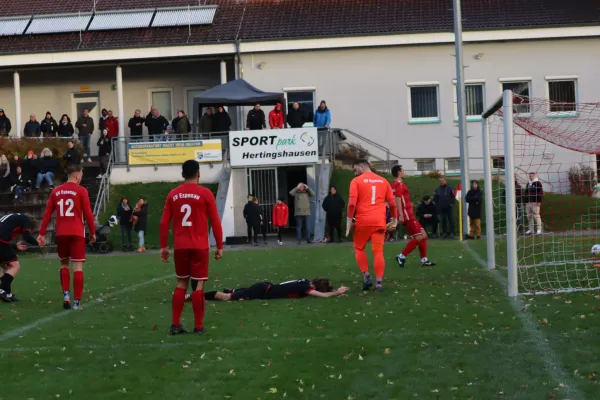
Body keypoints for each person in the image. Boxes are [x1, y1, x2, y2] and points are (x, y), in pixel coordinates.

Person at [159, 160, 224, 335]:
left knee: (181, 283)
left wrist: (164, 246)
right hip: (200, 246)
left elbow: (164, 222)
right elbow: (215, 221)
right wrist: (219, 245)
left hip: (180, 246)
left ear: (182, 175)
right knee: (198, 286)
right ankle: (198, 326)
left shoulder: (173, 194)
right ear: (198, 174)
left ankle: (175, 324)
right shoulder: (205, 193)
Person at [38, 164, 96, 310]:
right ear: (77, 175)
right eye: (81, 174)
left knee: (64, 265)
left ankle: (66, 296)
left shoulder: (56, 191)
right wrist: (93, 232)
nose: (82, 177)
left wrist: (42, 233)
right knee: (77, 268)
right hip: (77, 232)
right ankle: (76, 303)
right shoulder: (81, 191)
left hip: (61, 233)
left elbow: (47, 213)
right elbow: (88, 213)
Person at [346, 160, 398, 291]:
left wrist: (348, 221)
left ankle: (366, 276)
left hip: (363, 221)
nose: (354, 172)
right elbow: (392, 203)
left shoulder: (356, 181)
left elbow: (352, 203)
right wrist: (395, 219)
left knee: (358, 248)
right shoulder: (383, 181)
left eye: (355, 169)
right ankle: (379, 283)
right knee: (378, 252)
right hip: (379, 222)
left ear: (362, 166)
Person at [392, 165, 436, 268]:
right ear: (399, 172)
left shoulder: (394, 184)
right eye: (403, 170)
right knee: (420, 236)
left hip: (408, 213)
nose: (404, 172)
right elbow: (397, 199)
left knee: (423, 235)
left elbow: (399, 199)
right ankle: (401, 256)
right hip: (407, 215)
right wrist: (401, 214)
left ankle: (424, 259)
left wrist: (408, 204)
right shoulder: (400, 184)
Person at [191, 278, 349, 302]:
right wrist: (338, 292)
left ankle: (235, 289)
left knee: (237, 292)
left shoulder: (304, 281)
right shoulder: (305, 287)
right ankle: (194, 296)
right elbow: (322, 296)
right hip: (263, 291)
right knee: (226, 298)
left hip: (266, 286)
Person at [0, 213, 39, 302]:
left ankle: (8, 293)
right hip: (1, 242)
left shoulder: (14, 218)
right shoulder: (26, 219)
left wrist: (15, 246)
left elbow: (4, 234)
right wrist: (38, 243)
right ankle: (2, 290)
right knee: (15, 266)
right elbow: (27, 236)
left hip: (2, 242)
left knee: (6, 267)